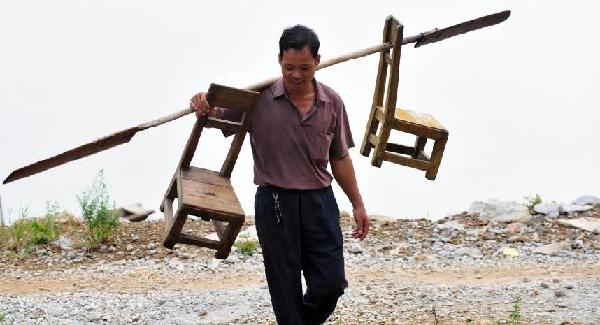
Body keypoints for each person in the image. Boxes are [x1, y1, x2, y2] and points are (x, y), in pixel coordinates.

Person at [190, 25, 369, 325]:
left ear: (318, 61)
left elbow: (339, 156)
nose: (296, 75)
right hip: (275, 203)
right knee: (285, 290)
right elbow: (214, 114)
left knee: (331, 284)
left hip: (319, 203)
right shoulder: (257, 99)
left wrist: (358, 203)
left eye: (304, 67)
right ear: (279, 61)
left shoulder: (331, 102)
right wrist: (200, 103)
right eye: (289, 68)